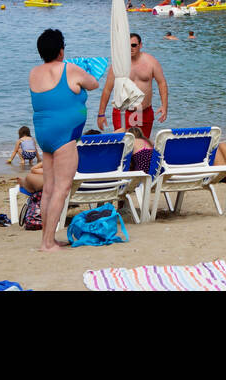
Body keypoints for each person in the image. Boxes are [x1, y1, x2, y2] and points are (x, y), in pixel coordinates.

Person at [28, 28, 99, 251]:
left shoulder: (34, 73)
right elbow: (93, 83)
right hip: (64, 136)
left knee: (48, 188)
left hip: (44, 134)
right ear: (61, 50)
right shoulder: (69, 68)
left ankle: (46, 239)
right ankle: (48, 242)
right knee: (62, 187)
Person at [96, 33, 168, 137]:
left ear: (140, 45)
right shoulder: (118, 65)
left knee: (143, 146)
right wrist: (101, 113)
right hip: (123, 113)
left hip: (144, 112)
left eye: (133, 45)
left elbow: (162, 83)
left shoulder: (151, 62)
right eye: (127, 45)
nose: (130, 48)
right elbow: (107, 89)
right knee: (124, 145)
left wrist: (164, 106)